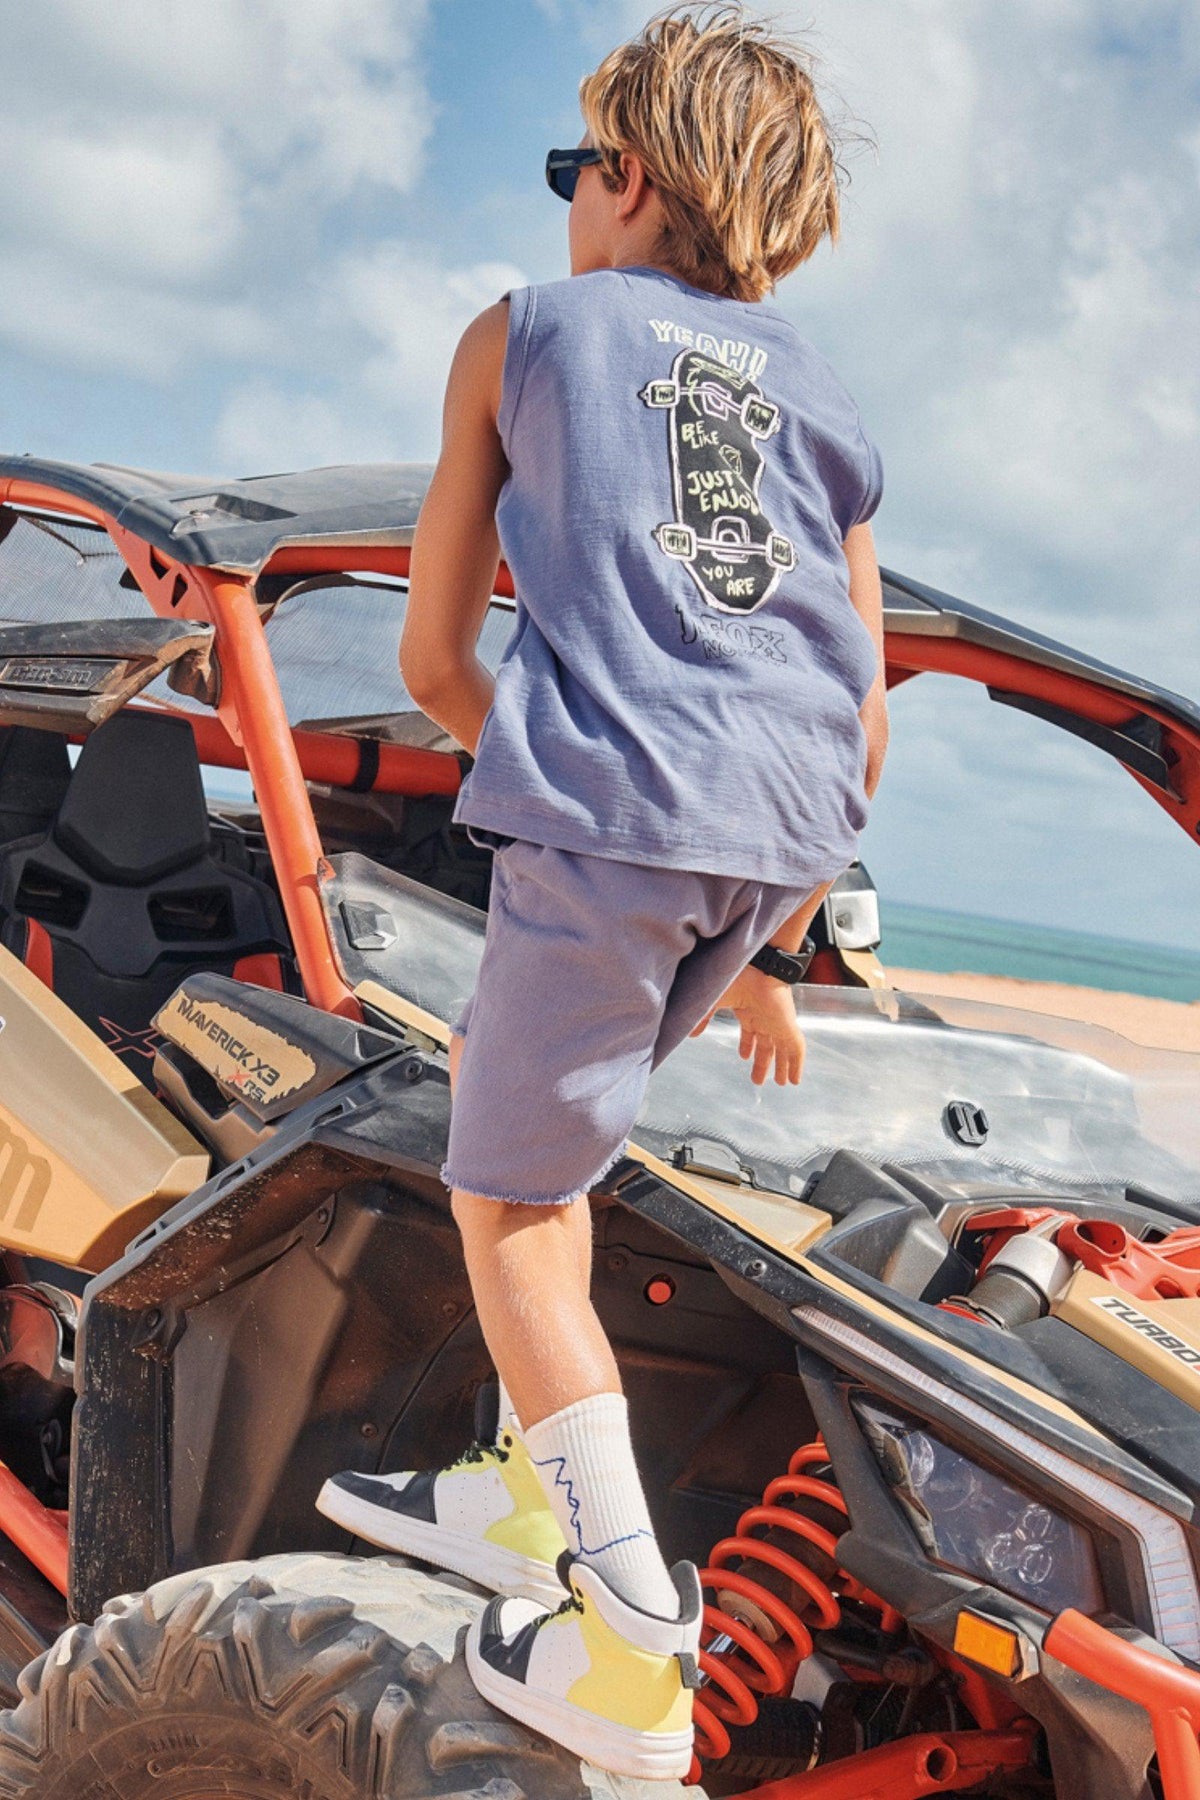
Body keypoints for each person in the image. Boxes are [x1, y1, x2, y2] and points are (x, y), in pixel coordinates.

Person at [318, 2, 888, 1779]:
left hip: (616, 817)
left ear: (627, 175)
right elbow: (863, 714)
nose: (567, 196)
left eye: (572, 166)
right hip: (784, 837)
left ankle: (628, 1640)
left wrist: (568, 773)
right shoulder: (830, 395)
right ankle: (515, 1492)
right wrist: (774, 937)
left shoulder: (526, 332)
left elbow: (431, 661)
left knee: (504, 1205)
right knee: (560, 1166)